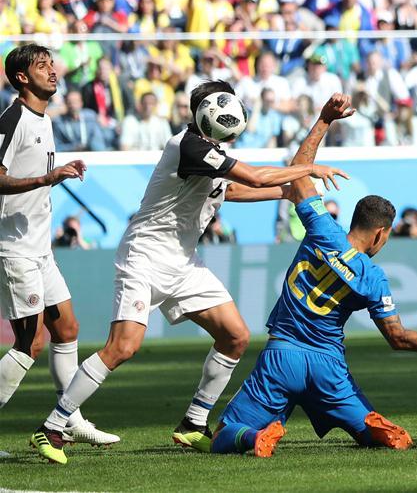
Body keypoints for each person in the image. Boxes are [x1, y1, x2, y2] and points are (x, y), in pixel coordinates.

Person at [30, 83, 350, 465]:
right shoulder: (188, 146)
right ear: (207, 112)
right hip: (144, 258)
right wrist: (307, 169)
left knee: (235, 336)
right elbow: (254, 177)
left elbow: (227, 191)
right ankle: (52, 426)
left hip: (183, 262)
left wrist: (284, 192)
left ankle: (193, 423)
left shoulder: (210, 151)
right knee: (123, 347)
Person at [209, 95, 417, 457]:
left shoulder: (322, 229)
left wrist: (325, 119)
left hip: (282, 357)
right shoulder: (373, 277)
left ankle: (255, 437)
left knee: (225, 435)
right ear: (380, 234)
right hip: (328, 368)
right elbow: (399, 339)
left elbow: (299, 172)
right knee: (371, 434)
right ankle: (372, 427)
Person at [1, 44, 118, 453]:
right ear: (20, 77)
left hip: (39, 246)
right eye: (41, 66)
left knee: (66, 329)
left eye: (52, 63)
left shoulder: (43, 117)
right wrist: (46, 178)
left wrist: (53, 176)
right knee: (30, 343)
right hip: (12, 246)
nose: (52, 71)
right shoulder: (13, 117)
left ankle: (70, 420)